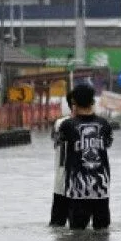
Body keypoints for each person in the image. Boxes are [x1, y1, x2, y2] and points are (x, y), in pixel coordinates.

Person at [59, 83, 115, 230]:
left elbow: (58, 142)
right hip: (101, 188)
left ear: (73, 102)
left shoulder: (67, 125)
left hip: (77, 189)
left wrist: (72, 115)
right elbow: (108, 144)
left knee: (77, 236)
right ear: (93, 102)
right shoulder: (105, 124)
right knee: (102, 235)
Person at [49, 89, 76, 226]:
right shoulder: (63, 123)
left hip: (61, 182)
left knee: (57, 225)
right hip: (75, 183)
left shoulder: (59, 123)